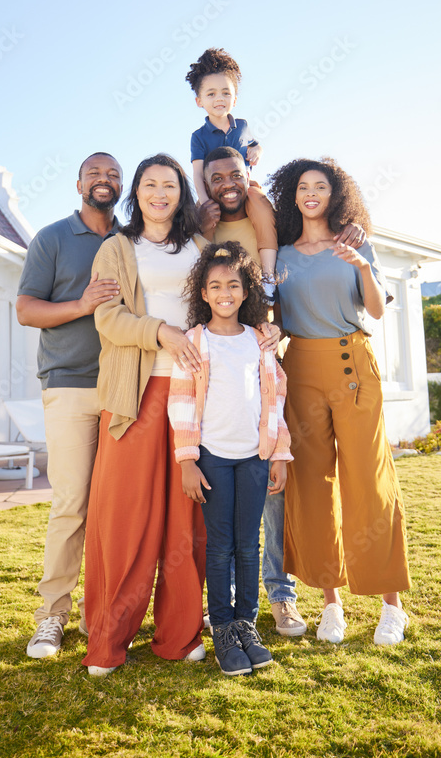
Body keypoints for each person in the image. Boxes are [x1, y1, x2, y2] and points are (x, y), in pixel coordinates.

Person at [81, 154, 279, 675]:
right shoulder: (117, 248)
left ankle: (179, 632)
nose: (160, 193)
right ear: (137, 193)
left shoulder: (198, 246)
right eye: (150, 184)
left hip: (200, 399)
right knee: (127, 519)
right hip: (137, 394)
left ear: (181, 193)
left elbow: (228, 300)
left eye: (169, 185)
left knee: (188, 521)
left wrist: (268, 330)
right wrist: (161, 333)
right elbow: (108, 319)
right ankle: (108, 641)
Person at [198, 145, 366, 638]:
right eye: (216, 177)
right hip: (213, 354)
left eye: (235, 173)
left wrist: (356, 228)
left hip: (264, 351)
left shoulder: (271, 218)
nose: (226, 183)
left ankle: (280, 595)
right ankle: (223, 603)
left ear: (248, 174)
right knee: (220, 496)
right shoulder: (200, 221)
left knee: (271, 488)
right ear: (204, 182)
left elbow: (313, 252)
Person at [268, 157, 411, 647]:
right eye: (303, 187)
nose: (311, 193)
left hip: (353, 363)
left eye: (320, 187)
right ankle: (332, 604)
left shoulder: (355, 243)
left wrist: (364, 267)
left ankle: (392, 605)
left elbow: (374, 309)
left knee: (368, 481)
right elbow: (283, 319)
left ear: (335, 194)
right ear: (293, 195)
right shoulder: (282, 256)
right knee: (311, 485)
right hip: (301, 367)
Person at [168, 242, 293, 675]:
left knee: (249, 544)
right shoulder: (194, 342)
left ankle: (246, 624)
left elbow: (274, 401)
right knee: (220, 548)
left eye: (233, 285)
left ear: (245, 292)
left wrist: (280, 454)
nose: (224, 292)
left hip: (254, 458)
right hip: (214, 459)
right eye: (215, 285)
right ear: (203, 293)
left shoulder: (259, 342)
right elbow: (180, 402)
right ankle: (222, 627)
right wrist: (187, 460)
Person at [16, 152, 123, 658]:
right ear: (78, 182)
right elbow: (25, 309)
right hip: (71, 387)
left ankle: (99, 613)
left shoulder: (131, 239)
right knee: (71, 505)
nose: (105, 181)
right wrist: (81, 304)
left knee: (114, 509)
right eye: (95, 173)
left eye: (113, 175)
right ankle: (52, 616)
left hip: (128, 390)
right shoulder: (53, 238)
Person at [186, 48, 278, 282]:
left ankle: (268, 276)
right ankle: (204, 279)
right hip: (212, 190)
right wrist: (205, 201)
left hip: (244, 187)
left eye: (226, 93)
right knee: (198, 224)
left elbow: (256, 144)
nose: (219, 99)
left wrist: (258, 150)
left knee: (263, 208)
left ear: (235, 98)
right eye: (211, 94)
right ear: (199, 101)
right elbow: (198, 174)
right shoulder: (198, 136)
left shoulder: (243, 126)